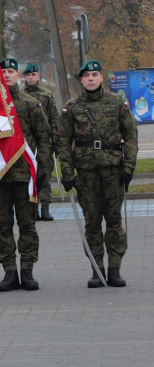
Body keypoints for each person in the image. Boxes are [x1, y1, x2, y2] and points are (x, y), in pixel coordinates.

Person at [57, 60, 137, 288]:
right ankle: (96, 269)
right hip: (86, 173)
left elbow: (130, 135)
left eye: (95, 74)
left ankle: (114, 268)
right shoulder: (72, 107)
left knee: (114, 221)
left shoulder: (117, 102)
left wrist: (129, 168)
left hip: (113, 171)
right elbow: (63, 142)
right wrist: (68, 173)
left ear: (102, 78)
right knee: (92, 222)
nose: (91, 78)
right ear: (81, 80)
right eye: (86, 75)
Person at [0, 58, 53, 291]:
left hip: (25, 175)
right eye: (3, 72)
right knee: (3, 227)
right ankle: (9, 271)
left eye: (11, 71)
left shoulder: (30, 104)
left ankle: (27, 270)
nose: (7, 75)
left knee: (27, 225)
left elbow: (44, 139)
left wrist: (43, 171)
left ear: (18, 76)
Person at [23, 62, 59, 221]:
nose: (31, 78)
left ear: (38, 76)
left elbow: (54, 119)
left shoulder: (46, 96)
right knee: (28, 176)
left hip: (44, 142)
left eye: (34, 75)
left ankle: (45, 208)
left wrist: (56, 140)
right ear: (24, 77)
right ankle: (32, 209)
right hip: (26, 143)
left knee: (44, 174)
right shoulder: (20, 95)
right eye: (28, 75)